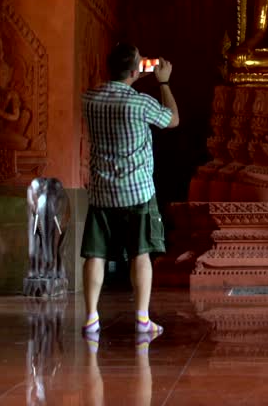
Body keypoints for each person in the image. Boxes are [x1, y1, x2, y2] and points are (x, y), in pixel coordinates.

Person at [81, 43, 179, 340]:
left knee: (95, 253)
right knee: (141, 253)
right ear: (137, 70)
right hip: (137, 191)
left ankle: (90, 318)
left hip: (101, 190)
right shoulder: (140, 103)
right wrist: (163, 82)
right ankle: (142, 319)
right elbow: (172, 119)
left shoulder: (89, 98)